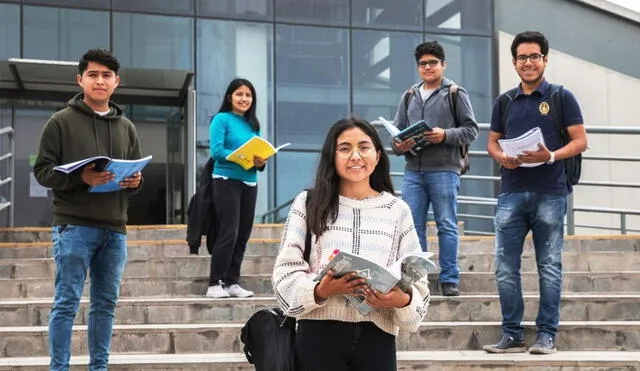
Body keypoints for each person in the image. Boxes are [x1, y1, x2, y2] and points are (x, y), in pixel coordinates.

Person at [272, 117, 430, 371]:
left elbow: (419, 289)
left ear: (377, 156)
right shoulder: (308, 203)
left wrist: (401, 299)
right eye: (345, 148)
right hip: (317, 337)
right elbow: (284, 275)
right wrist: (321, 290)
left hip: (378, 339)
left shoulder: (397, 210)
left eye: (364, 147)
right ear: (332, 157)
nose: (355, 155)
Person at [33, 48, 143, 371]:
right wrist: (82, 177)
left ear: (116, 82)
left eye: (106, 75)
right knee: (66, 303)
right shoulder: (59, 122)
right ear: (80, 79)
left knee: (105, 305)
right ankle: (59, 368)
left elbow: (135, 178)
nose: (100, 81)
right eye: (93, 74)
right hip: (74, 226)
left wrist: (134, 181)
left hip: (115, 229)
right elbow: (42, 172)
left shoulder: (127, 127)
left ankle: (99, 368)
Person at [483, 31, 588, 355]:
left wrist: (551, 155)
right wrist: (500, 156)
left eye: (534, 56)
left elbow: (580, 140)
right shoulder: (505, 101)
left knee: (550, 266)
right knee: (504, 267)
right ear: (514, 62)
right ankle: (511, 333)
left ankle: (547, 335)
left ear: (544, 59)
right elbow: (492, 141)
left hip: (550, 193)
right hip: (511, 192)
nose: (528, 63)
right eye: (522, 57)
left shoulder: (561, 97)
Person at [391, 41, 479, 296]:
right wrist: (400, 143)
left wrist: (445, 135)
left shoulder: (455, 92)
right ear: (418, 67)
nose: (427, 67)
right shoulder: (409, 95)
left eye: (433, 63)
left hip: (444, 170)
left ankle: (450, 279)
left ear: (443, 65)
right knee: (412, 226)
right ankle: (418, 279)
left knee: (446, 225)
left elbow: (471, 130)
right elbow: (395, 135)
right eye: (422, 64)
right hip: (413, 172)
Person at [206, 78, 267, 298]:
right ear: (230, 97)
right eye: (240, 94)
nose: (244, 99)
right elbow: (216, 151)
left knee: (243, 234)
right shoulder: (221, 119)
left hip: (249, 182)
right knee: (228, 232)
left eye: (248, 95)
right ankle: (215, 283)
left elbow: (256, 155)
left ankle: (232, 282)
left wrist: (260, 162)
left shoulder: (253, 124)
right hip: (226, 180)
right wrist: (240, 156)